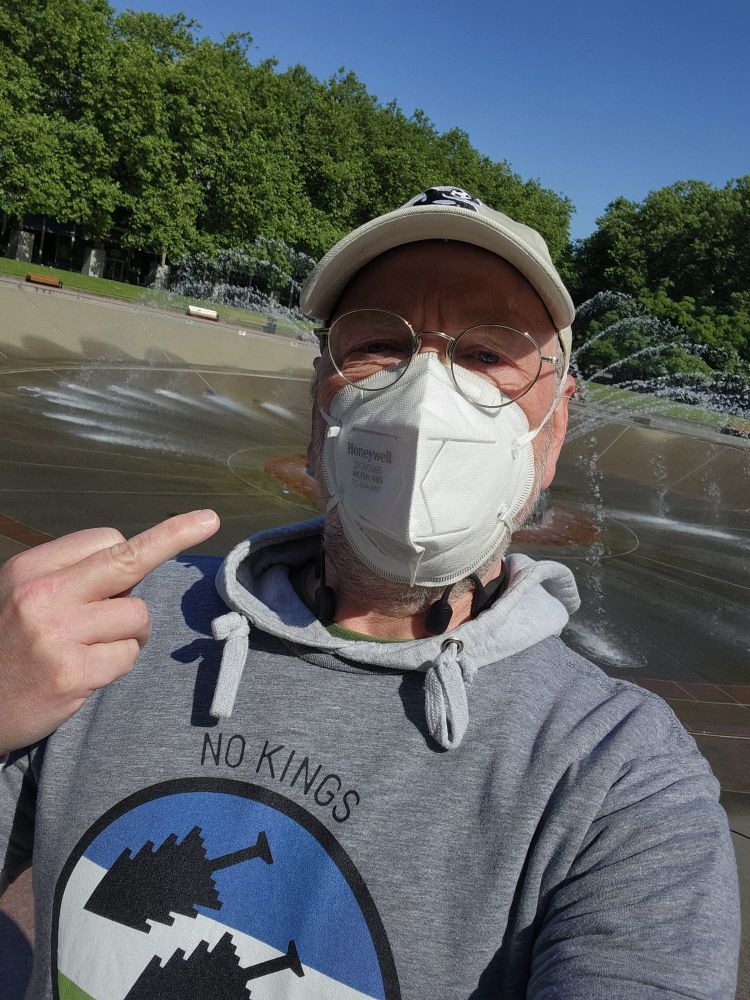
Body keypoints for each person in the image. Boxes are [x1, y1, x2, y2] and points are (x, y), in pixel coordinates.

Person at [0, 187, 740, 999]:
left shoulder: (615, 781)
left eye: (490, 354)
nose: (428, 393)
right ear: (319, 407)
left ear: (554, 427)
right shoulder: (110, 630)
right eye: (380, 344)